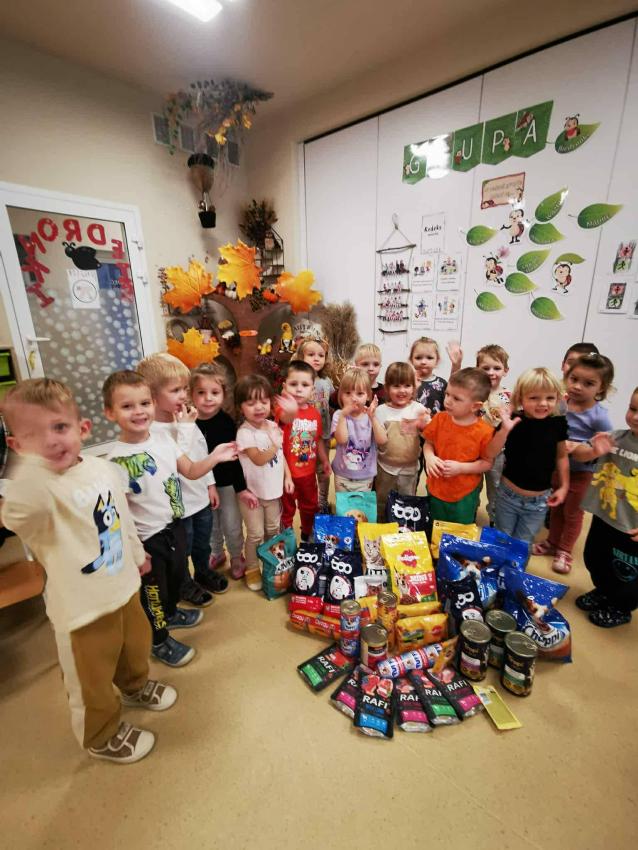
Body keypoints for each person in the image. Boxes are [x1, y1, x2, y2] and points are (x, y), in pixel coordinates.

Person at [1, 379, 177, 764]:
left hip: (124, 586)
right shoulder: (36, 491)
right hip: (82, 609)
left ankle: (134, 686)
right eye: (34, 435)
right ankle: (100, 735)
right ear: (17, 447)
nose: (51, 441)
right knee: (90, 678)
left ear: (83, 428)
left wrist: (137, 553)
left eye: (59, 427)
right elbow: (17, 514)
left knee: (134, 647)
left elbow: (121, 517)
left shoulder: (103, 469)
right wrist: (28, 470)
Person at [104, 370, 237, 667]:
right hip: (148, 539)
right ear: (110, 412)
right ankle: (159, 639)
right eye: (127, 406)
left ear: (153, 404)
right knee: (154, 592)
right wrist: (136, 553)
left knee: (176, 577)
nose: (139, 411)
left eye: (144, 403)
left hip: (174, 526)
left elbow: (190, 470)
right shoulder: (115, 462)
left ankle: (172, 613)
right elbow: (119, 515)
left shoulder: (163, 441)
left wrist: (215, 456)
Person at [137, 353, 228, 596]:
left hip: (200, 498)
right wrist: (185, 427)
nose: (184, 395)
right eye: (175, 390)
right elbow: (177, 462)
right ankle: (184, 584)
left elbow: (200, 451)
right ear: (153, 396)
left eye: (185, 389)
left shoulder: (183, 417)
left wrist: (210, 484)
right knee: (182, 550)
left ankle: (203, 572)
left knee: (202, 543)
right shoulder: (153, 431)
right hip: (180, 507)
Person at [534, 353, 614, 574]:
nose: (578, 386)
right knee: (556, 509)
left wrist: (581, 447)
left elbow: (604, 446)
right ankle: (552, 542)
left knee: (573, 513)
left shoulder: (599, 416)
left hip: (581, 473)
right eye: (574, 379)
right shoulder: (562, 403)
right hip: (557, 469)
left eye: (588, 383)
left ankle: (565, 550)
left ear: (601, 387)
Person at [577, 387, 638, 628]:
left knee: (627, 572)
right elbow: (580, 455)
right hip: (605, 516)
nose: (635, 417)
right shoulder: (615, 438)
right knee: (595, 557)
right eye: (633, 409)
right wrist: (593, 450)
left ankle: (621, 607)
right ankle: (603, 590)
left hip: (632, 528)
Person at [190, 363, 257, 581]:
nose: (208, 398)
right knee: (210, 524)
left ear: (223, 394)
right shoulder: (189, 424)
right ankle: (217, 553)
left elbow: (235, 460)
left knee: (231, 523)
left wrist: (241, 489)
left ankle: (236, 556)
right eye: (201, 392)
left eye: (214, 392)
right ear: (191, 395)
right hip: (200, 483)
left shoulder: (226, 423)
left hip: (227, 484)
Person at [487, 368, 568, 544]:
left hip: (539, 501)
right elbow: (490, 453)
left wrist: (564, 486)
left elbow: (562, 456)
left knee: (523, 544)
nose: (543, 403)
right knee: (501, 540)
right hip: (508, 496)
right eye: (534, 398)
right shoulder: (513, 420)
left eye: (550, 398)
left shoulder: (558, 423)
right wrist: (504, 431)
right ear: (520, 398)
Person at [235, 374, 294, 592]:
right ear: (241, 407)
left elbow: (281, 456)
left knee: (273, 530)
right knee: (255, 534)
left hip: (274, 492)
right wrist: (275, 444)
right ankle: (252, 569)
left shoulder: (272, 426)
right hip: (253, 495)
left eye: (263, 401)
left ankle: (272, 566)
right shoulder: (244, 432)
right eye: (251, 403)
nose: (259, 407)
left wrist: (288, 476)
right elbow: (259, 459)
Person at [423, 368, 493, 524]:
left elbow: (487, 463)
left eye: (456, 398)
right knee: (435, 524)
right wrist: (429, 457)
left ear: (475, 406)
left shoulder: (485, 432)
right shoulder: (440, 418)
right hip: (436, 487)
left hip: (464, 494)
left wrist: (461, 468)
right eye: (447, 394)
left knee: (460, 530)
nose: (448, 401)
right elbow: (428, 443)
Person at [277, 361, 330, 541]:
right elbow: (284, 418)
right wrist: (290, 408)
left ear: (312, 390)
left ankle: (307, 535)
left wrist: (325, 460)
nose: (299, 389)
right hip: (286, 474)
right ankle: (287, 540)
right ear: (285, 386)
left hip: (308, 474)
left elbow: (318, 439)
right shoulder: (282, 409)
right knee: (286, 510)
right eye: (293, 384)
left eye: (305, 385)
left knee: (310, 507)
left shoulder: (315, 414)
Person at [375, 361, 428, 520]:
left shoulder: (418, 409)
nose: (402, 390)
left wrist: (425, 423)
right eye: (396, 386)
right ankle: (382, 523)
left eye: (407, 385)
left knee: (407, 500)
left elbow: (428, 435)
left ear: (414, 387)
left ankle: (404, 527)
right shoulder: (381, 411)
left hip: (409, 468)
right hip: (385, 467)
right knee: (382, 500)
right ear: (387, 388)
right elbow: (378, 438)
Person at [331, 367, 387, 492]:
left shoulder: (372, 415)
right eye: (348, 393)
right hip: (342, 474)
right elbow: (341, 440)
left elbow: (382, 440)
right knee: (343, 503)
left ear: (368, 396)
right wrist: (343, 416)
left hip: (366, 475)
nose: (354, 398)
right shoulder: (339, 415)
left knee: (362, 504)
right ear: (341, 395)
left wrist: (372, 418)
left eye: (360, 393)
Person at [294, 337, 334, 512]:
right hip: (305, 437)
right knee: (306, 471)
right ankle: (307, 504)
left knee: (323, 470)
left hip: (323, 435)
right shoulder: (298, 382)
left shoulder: (326, 381)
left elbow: (333, 402)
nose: (316, 358)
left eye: (321, 355)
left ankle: (322, 502)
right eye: (311, 355)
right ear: (301, 357)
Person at [476, 344, 511, 524]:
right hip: (474, 450)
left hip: (499, 453)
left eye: (496, 368)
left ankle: (494, 520)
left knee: (496, 487)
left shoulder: (509, 397)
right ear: (477, 369)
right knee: (471, 486)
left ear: (505, 370)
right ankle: (469, 514)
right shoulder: (474, 393)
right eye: (486, 368)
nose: (491, 372)